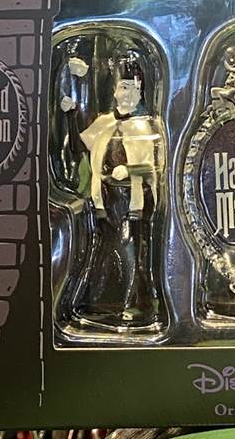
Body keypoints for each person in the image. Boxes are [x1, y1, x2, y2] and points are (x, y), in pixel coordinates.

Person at [69, 53, 165, 329]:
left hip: (133, 200)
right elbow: (78, 146)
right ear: (114, 91)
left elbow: (155, 168)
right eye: (124, 87)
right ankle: (102, 304)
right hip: (106, 200)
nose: (129, 94)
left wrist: (131, 170)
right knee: (106, 251)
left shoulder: (145, 127)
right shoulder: (104, 124)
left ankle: (136, 305)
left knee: (132, 251)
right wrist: (71, 112)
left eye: (135, 89)